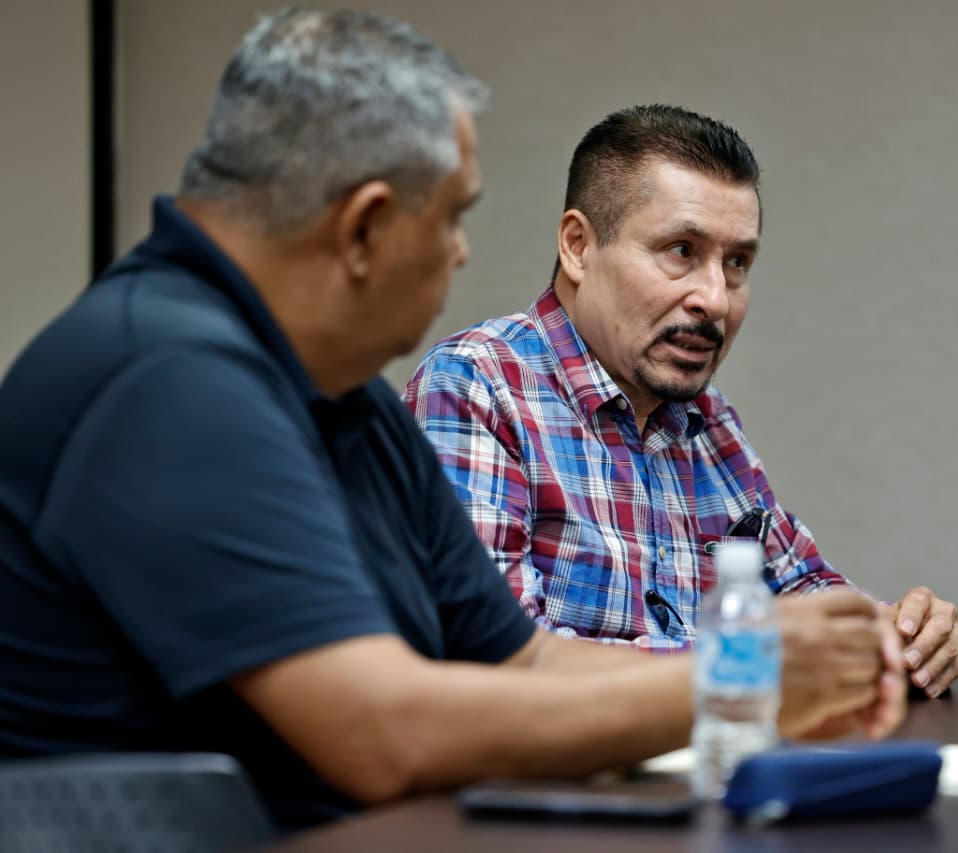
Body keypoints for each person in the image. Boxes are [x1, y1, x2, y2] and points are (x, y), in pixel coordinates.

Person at [0, 10, 905, 833]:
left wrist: (797, 663)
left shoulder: (342, 395)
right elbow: (382, 733)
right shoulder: (167, 377)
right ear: (365, 229)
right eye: (453, 218)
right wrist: (741, 675)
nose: (463, 252)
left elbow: (521, 663)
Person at [407, 104, 958, 695]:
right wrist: (764, 655)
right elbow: (489, 659)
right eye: (681, 251)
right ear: (578, 247)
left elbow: (805, 593)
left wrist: (903, 633)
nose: (716, 300)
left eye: (737, 263)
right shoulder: (476, 385)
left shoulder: (707, 420)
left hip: (719, 748)